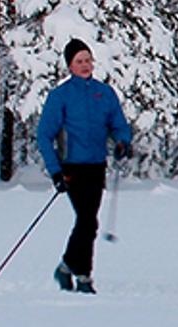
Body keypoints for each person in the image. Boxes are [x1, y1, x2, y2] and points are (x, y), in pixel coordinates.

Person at [33, 38, 133, 295]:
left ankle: (68, 267)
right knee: (87, 221)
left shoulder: (105, 93)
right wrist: (56, 171)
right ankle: (82, 276)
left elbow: (118, 124)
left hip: (96, 166)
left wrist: (122, 141)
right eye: (79, 61)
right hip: (71, 167)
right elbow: (44, 135)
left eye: (88, 60)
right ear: (70, 66)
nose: (85, 65)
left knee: (88, 221)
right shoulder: (60, 96)